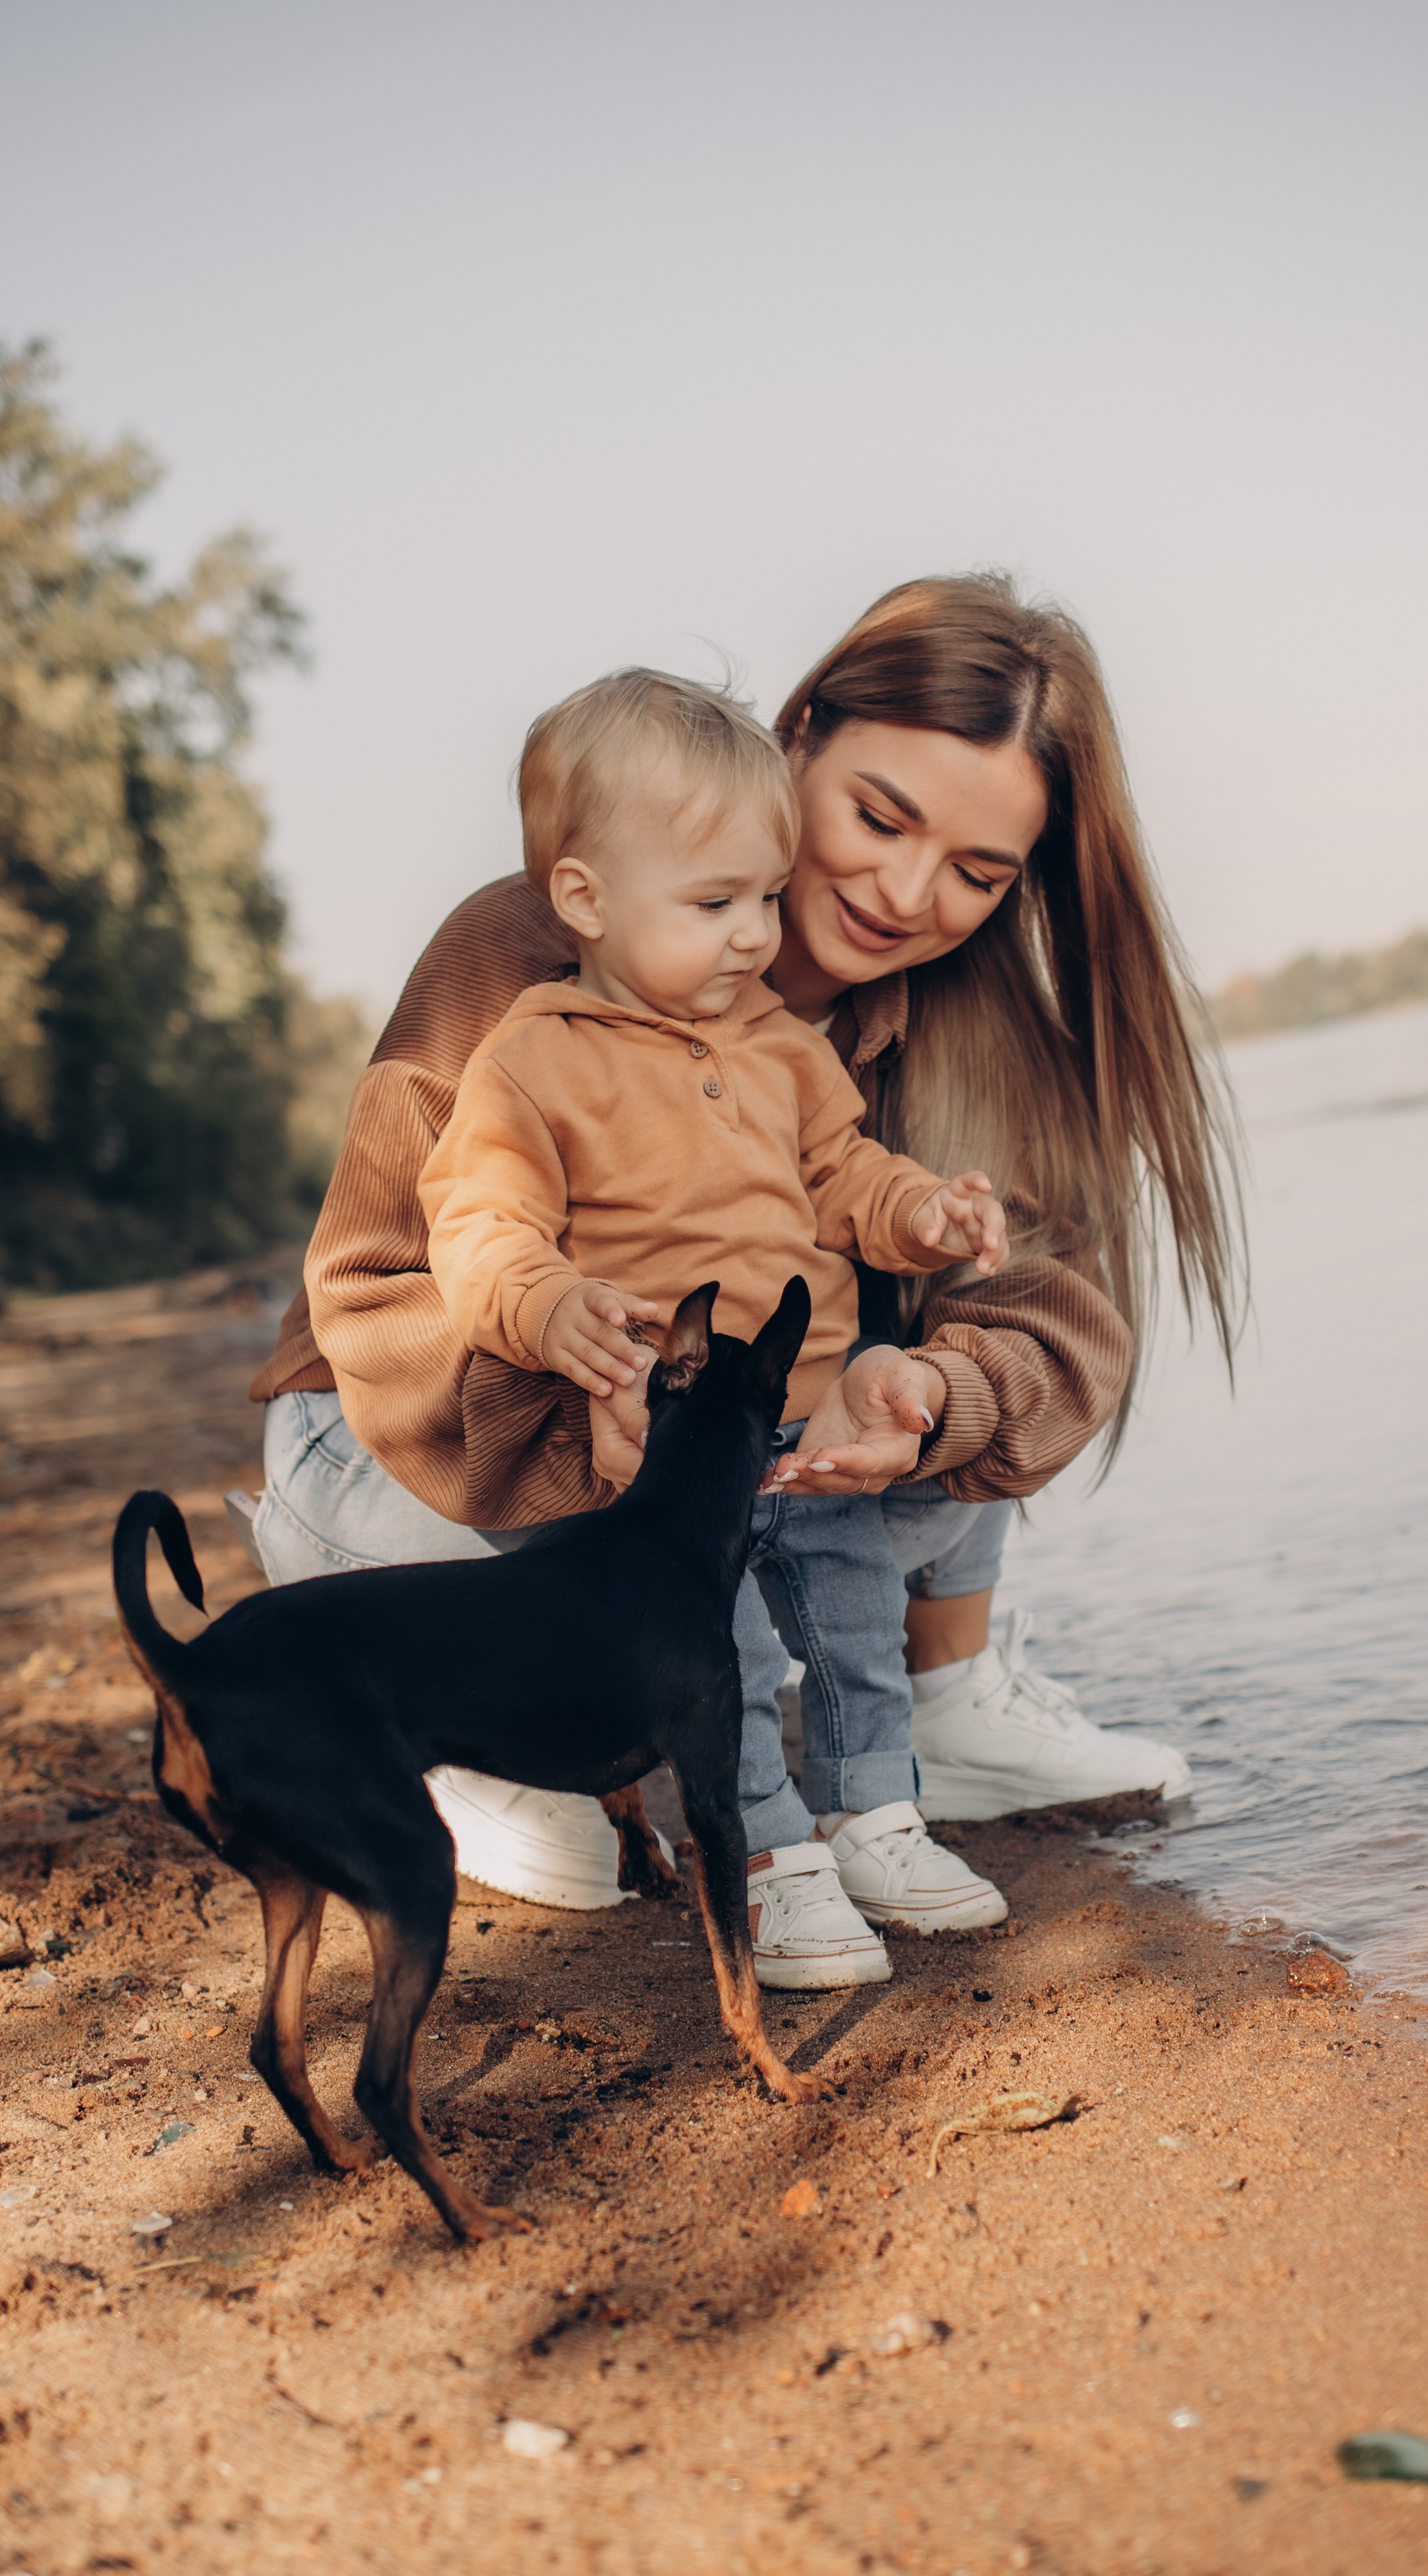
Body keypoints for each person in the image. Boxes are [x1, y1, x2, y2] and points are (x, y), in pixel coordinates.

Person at [248, 572, 1242, 1978]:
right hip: (425, 1453)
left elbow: (1050, 1321)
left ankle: (934, 1696)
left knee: (937, 1373)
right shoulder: (539, 957)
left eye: (975, 871)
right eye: (879, 817)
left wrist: (922, 1392)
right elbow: (385, 1284)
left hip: (717, 1474)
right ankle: (469, 1722)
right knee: (571, 1652)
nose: (905, 894)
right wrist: (588, 1391)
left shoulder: (946, 1029)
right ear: (798, 740)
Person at [419, 663, 1016, 1983]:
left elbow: (842, 1175)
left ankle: (876, 1817)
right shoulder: (532, 1056)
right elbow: (477, 1226)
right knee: (723, 1653)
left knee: (856, 1622)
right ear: (585, 897)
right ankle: (766, 1850)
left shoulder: (773, 1040)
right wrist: (551, 1305)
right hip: (675, 1452)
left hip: (812, 1416)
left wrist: (920, 1213)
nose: (756, 934)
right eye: (714, 904)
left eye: (763, 895)